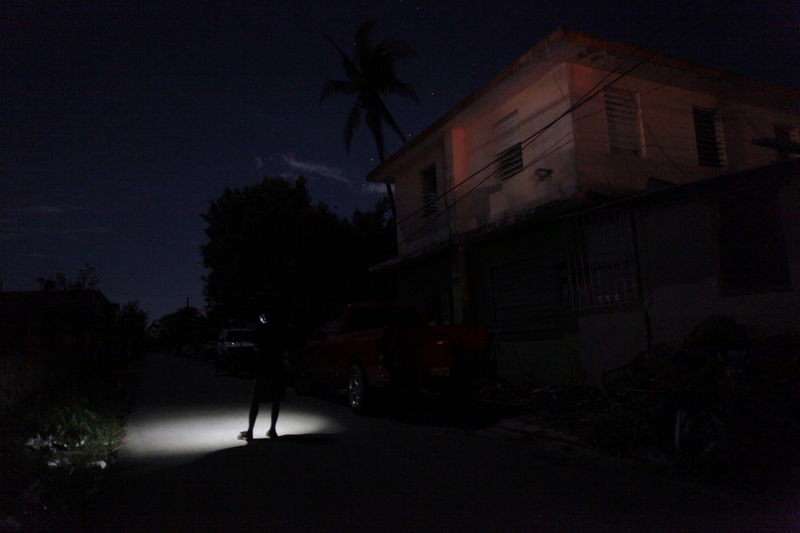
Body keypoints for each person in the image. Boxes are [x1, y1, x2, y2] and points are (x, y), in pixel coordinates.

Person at [238, 314, 286, 441]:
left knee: (256, 399)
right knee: (276, 398)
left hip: (264, 365)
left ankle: (250, 431)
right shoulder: (280, 327)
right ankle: (273, 430)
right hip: (277, 365)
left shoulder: (262, 328)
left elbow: (255, 341)